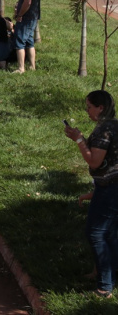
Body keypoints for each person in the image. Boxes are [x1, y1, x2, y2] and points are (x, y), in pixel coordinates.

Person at [64, 90, 118, 299]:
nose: (87, 111)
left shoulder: (105, 130)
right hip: (108, 187)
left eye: (89, 107)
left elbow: (95, 162)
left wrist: (79, 140)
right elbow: (108, 162)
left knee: (96, 233)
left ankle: (104, 287)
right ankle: (108, 276)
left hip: (111, 190)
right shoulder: (113, 126)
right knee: (111, 234)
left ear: (100, 108)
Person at [13, 0, 42, 74]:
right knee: (30, 41)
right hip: (34, 16)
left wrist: (20, 14)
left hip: (26, 17)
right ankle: (32, 66)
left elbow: (27, 2)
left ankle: (21, 68)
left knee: (19, 41)